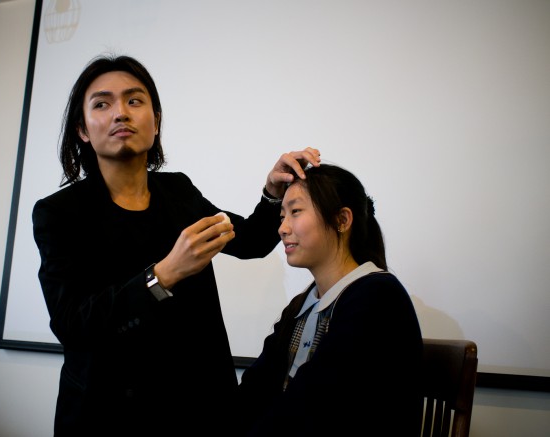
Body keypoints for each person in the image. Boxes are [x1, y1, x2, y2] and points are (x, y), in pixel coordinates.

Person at [31, 53, 320, 436]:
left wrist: (272, 192)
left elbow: (249, 241)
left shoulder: (178, 191)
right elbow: (72, 325)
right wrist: (162, 275)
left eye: (134, 100)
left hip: (198, 408)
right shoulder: (60, 213)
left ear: (155, 122)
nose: (121, 113)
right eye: (102, 104)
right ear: (82, 129)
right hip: (110, 417)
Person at [236, 163, 423, 436]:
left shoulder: (378, 297)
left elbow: (316, 407)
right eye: (282, 216)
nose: (282, 228)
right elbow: (255, 388)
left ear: (341, 220)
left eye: (295, 212)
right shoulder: (302, 304)